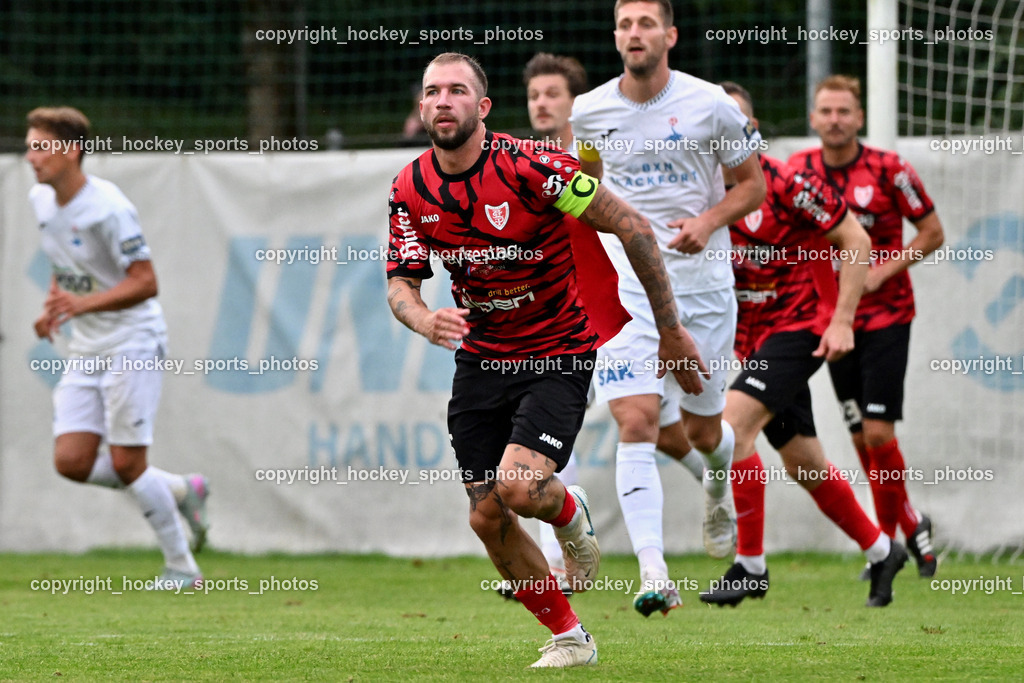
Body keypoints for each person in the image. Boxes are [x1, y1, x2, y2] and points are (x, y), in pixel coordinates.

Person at [386, 52, 707, 668]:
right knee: (486, 516)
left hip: (557, 348)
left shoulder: (532, 166)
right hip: (481, 359)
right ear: (422, 108)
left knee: (519, 486)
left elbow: (632, 226)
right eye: (432, 91)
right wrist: (425, 318)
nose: (443, 100)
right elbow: (401, 282)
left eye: (458, 90)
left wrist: (669, 331)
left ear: (482, 108)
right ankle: (570, 637)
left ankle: (566, 508)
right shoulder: (408, 187)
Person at [569, 0, 767, 616]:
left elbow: (753, 186)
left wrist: (707, 222)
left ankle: (717, 481)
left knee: (706, 431)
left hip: (702, 289)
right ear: (616, 36)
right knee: (636, 421)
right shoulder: (590, 110)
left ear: (670, 35)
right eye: (625, 24)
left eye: (646, 23)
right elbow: (587, 186)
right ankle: (654, 572)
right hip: (628, 291)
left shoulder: (713, 105)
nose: (634, 33)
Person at [697, 84, 908, 609]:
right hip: (753, 338)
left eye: (736, 123)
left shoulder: (790, 182)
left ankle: (749, 565)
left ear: (753, 130)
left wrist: (841, 322)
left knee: (732, 430)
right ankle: (882, 550)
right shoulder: (697, 192)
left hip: (802, 326)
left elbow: (856, 241)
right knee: (803, 461)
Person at [25, 107, 209, 588]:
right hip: (87, 345)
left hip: (133, 340)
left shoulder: (109, 207)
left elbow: (146, 283)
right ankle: (178, 488)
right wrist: (54, 307)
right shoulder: (41, 202)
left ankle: (181, 568)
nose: (31, 156)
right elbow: (62, 263)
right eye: (29, 145)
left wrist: (80, 305)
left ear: (72, 151)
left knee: (128, 464)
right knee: (71, 461)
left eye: (41, 146)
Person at [789, 75, 944, 578]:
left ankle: (886, 551)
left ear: (859, 117)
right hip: (833, 322)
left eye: (844, 111)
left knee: (878, 432)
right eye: (826, 111)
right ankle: (910, 524)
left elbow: (933, 233)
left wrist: (881, 271)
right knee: (859, 438)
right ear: (812, 118)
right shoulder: (798, 172)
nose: (835, 120)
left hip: (885, 318)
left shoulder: (889, 169)